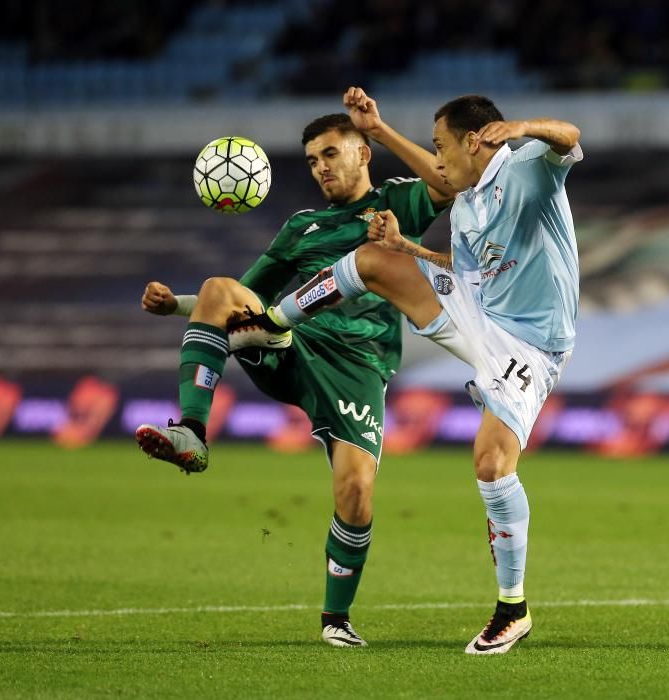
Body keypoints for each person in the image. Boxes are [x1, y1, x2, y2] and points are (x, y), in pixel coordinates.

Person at [246, 87, 582, 655]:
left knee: (492, 463)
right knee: (376, 260)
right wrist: (411, 248)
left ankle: (512, 607)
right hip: (479, 314)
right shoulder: (469, 202)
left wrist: (523, 124)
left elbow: (570, 136)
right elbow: (469, 271)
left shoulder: (528, 168)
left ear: (475, 140)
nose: (437, 158)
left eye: (441, 145)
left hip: (530, 344)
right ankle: (273, 321)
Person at [135, 102, 453, 648]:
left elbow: (446, 186)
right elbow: (241, 297)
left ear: (361, 151)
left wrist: (381, 127)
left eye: (329, 154)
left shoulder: (395, 200)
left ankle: (336, 619)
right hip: (292, 345)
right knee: (217, 287)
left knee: (355, 494)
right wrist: (178, 305)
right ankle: (192, 430)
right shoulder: (301, 227)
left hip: (359, 368)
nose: (320, 168)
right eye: (310, 161)